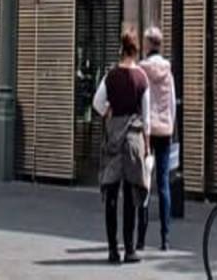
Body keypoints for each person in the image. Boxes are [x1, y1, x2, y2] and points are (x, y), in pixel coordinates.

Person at [91, 30, 152, 265]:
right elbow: (146, 117)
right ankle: (129, 249)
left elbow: (97, 103)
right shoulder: (141, 78)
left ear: (121, 49)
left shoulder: (111, 76)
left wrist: (108, 110)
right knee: (131, 195)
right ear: (136, 51)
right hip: (134, 140)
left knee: (111, 192)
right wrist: (147, 144)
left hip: (113, 136)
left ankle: (111, 250)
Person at [137, 27, 177, 253]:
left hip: (147, 131)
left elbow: (141, 99)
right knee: (163, 185)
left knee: (144, 183)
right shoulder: (168, 72)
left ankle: (141, 238)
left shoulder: (142, 71)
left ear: (148, 44)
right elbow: (171, 103)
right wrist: (170, 125)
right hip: (165, 131)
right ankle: (165, 238)